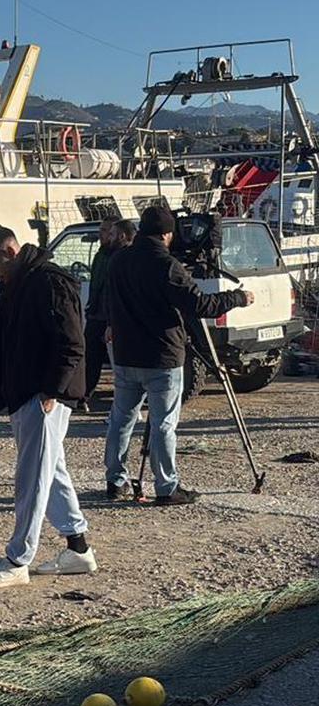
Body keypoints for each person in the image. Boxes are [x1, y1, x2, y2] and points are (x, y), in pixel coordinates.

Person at [0, 225, 95, 590]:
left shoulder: (49, 281)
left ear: (10, 251)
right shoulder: (19, 281)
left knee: (32, 479)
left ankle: (18, 558)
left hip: (44, 396)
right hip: (26, 393)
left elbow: (72, 341)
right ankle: (78, 548)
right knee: (51, 471)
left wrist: (51, 391)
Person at [104, 206, 253, 505]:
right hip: (162, 357)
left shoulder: (118, 260)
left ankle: (115, 481)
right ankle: (166, 487)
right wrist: (237, 298)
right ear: (167, 234)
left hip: (125, 354)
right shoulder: (167, 265)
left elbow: (109, 300)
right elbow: (200, 306)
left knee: (121, 419)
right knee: (163, 424)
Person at [80, 215, 121, 412]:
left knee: (118, 363)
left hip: (112, 317)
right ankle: (83, 397)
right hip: (96, 314)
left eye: (106, 231)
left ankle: (124, 403)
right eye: (102, 230)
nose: (102, 235)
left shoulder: (120, 256)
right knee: (90, 358)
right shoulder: (100, 255)